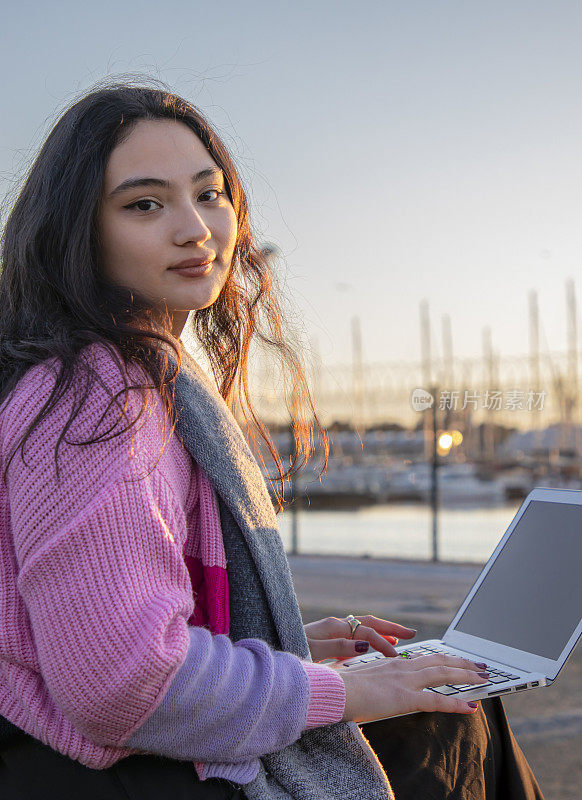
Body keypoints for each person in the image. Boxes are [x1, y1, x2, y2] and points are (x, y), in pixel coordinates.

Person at [0, 79, 545, 799]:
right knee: (454, 721)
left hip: (69, 754)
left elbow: (105, 621)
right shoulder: (98, 398)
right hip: (88, 772)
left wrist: (287, 640)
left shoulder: (113, 376)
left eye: (209, 193)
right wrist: (345, 692)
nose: (195, 228)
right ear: (77, 230)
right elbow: (121, 683)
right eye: (144, 204)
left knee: (444, 705)